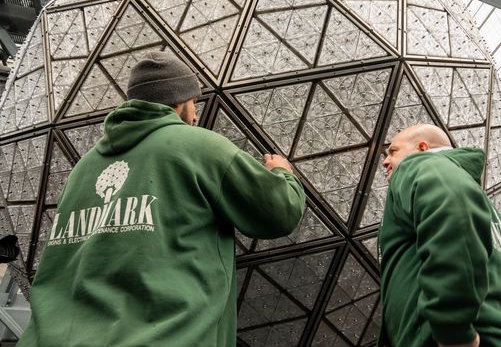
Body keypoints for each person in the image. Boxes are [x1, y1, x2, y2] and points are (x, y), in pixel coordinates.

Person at [18, 51, 306, 346]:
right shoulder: (199, 148)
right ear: (180, 101)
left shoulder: (85, 167)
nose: (196, 115)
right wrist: (283, 174)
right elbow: (279, 213)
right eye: (195, 103)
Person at [377, 124, 501, 347]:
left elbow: (453, 208)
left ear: (422, 148)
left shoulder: (421, 165)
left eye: (393, 151)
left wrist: (453, 332)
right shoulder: (493, 216)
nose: (385, 161)